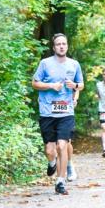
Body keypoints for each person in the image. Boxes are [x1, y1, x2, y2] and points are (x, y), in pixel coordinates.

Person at [32, 33, 83, 195]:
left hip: (66, 112)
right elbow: (35, 83)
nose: (61, 46)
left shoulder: (74, 64)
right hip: (47, 112)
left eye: (64, 44)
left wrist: (74, 85)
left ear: (67, 46)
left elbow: (81, 84)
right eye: (58, 44)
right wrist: (51, 86)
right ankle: (52, 162)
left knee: (62, 145)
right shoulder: (45, 63)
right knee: (50, 150)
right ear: (54, 48)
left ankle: (60, 181)